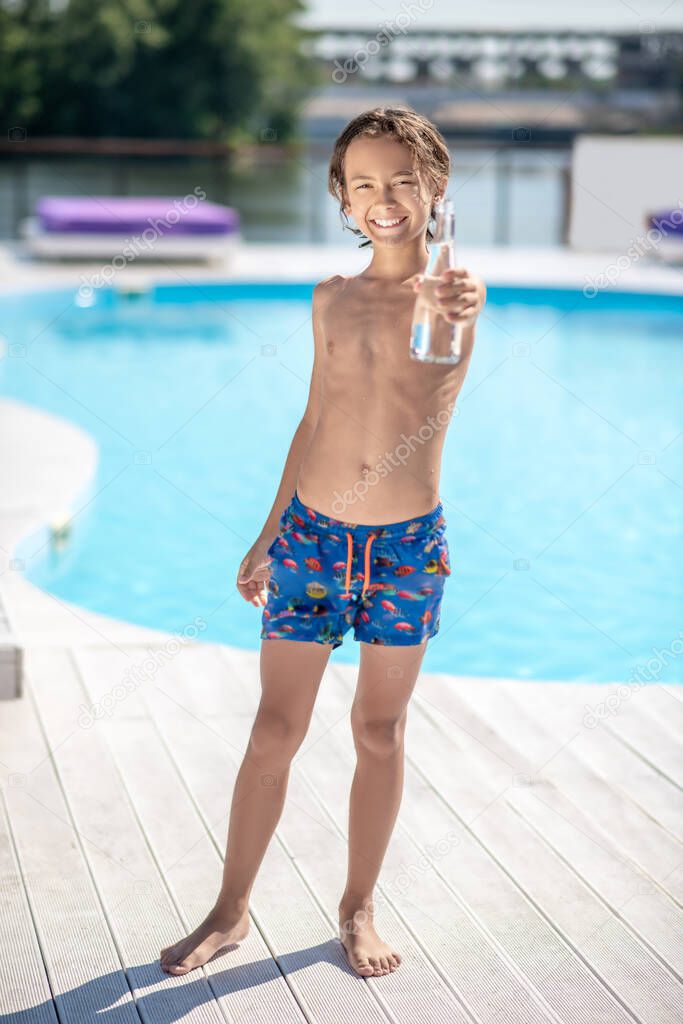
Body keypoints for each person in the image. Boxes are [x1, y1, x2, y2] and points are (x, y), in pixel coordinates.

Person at [160, 106, 486, 979]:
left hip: (403, 550)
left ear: (434, 189)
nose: (385, 199)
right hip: (310, 537)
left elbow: (438, 350)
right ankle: (230, 910)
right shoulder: (329, 298)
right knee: (274, 727)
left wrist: (445, 290)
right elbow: (313, 418)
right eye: (365, 184)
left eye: (403, 182)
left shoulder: (453, 293)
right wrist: (267, 532)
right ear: (341, 198)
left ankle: (356, 906)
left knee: (378, 730)